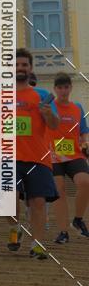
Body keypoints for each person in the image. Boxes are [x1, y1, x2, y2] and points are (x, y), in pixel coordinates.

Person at [6, 48, 59, 259]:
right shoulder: (1, 95)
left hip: (38, 157)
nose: (20, 68)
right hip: (8, 157)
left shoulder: (43, 95)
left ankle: (36, 244)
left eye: (24, 65)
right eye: (17, 65)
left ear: (30, 68)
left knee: (38, 202)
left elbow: (54, 126)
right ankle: (15, 228)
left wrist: (48, 114)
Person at [50, 73, 89, 243]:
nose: (63, 91)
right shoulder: (50, 106)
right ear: (55, 89)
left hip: (74, 154)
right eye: (60, 87)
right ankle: (63, 231)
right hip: (53, 156)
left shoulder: (77, 107)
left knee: (85, 182)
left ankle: (78, 219)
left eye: (66, 87)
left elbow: (83, 130)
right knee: (59, 192)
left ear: (71, 88)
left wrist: (85, 143)